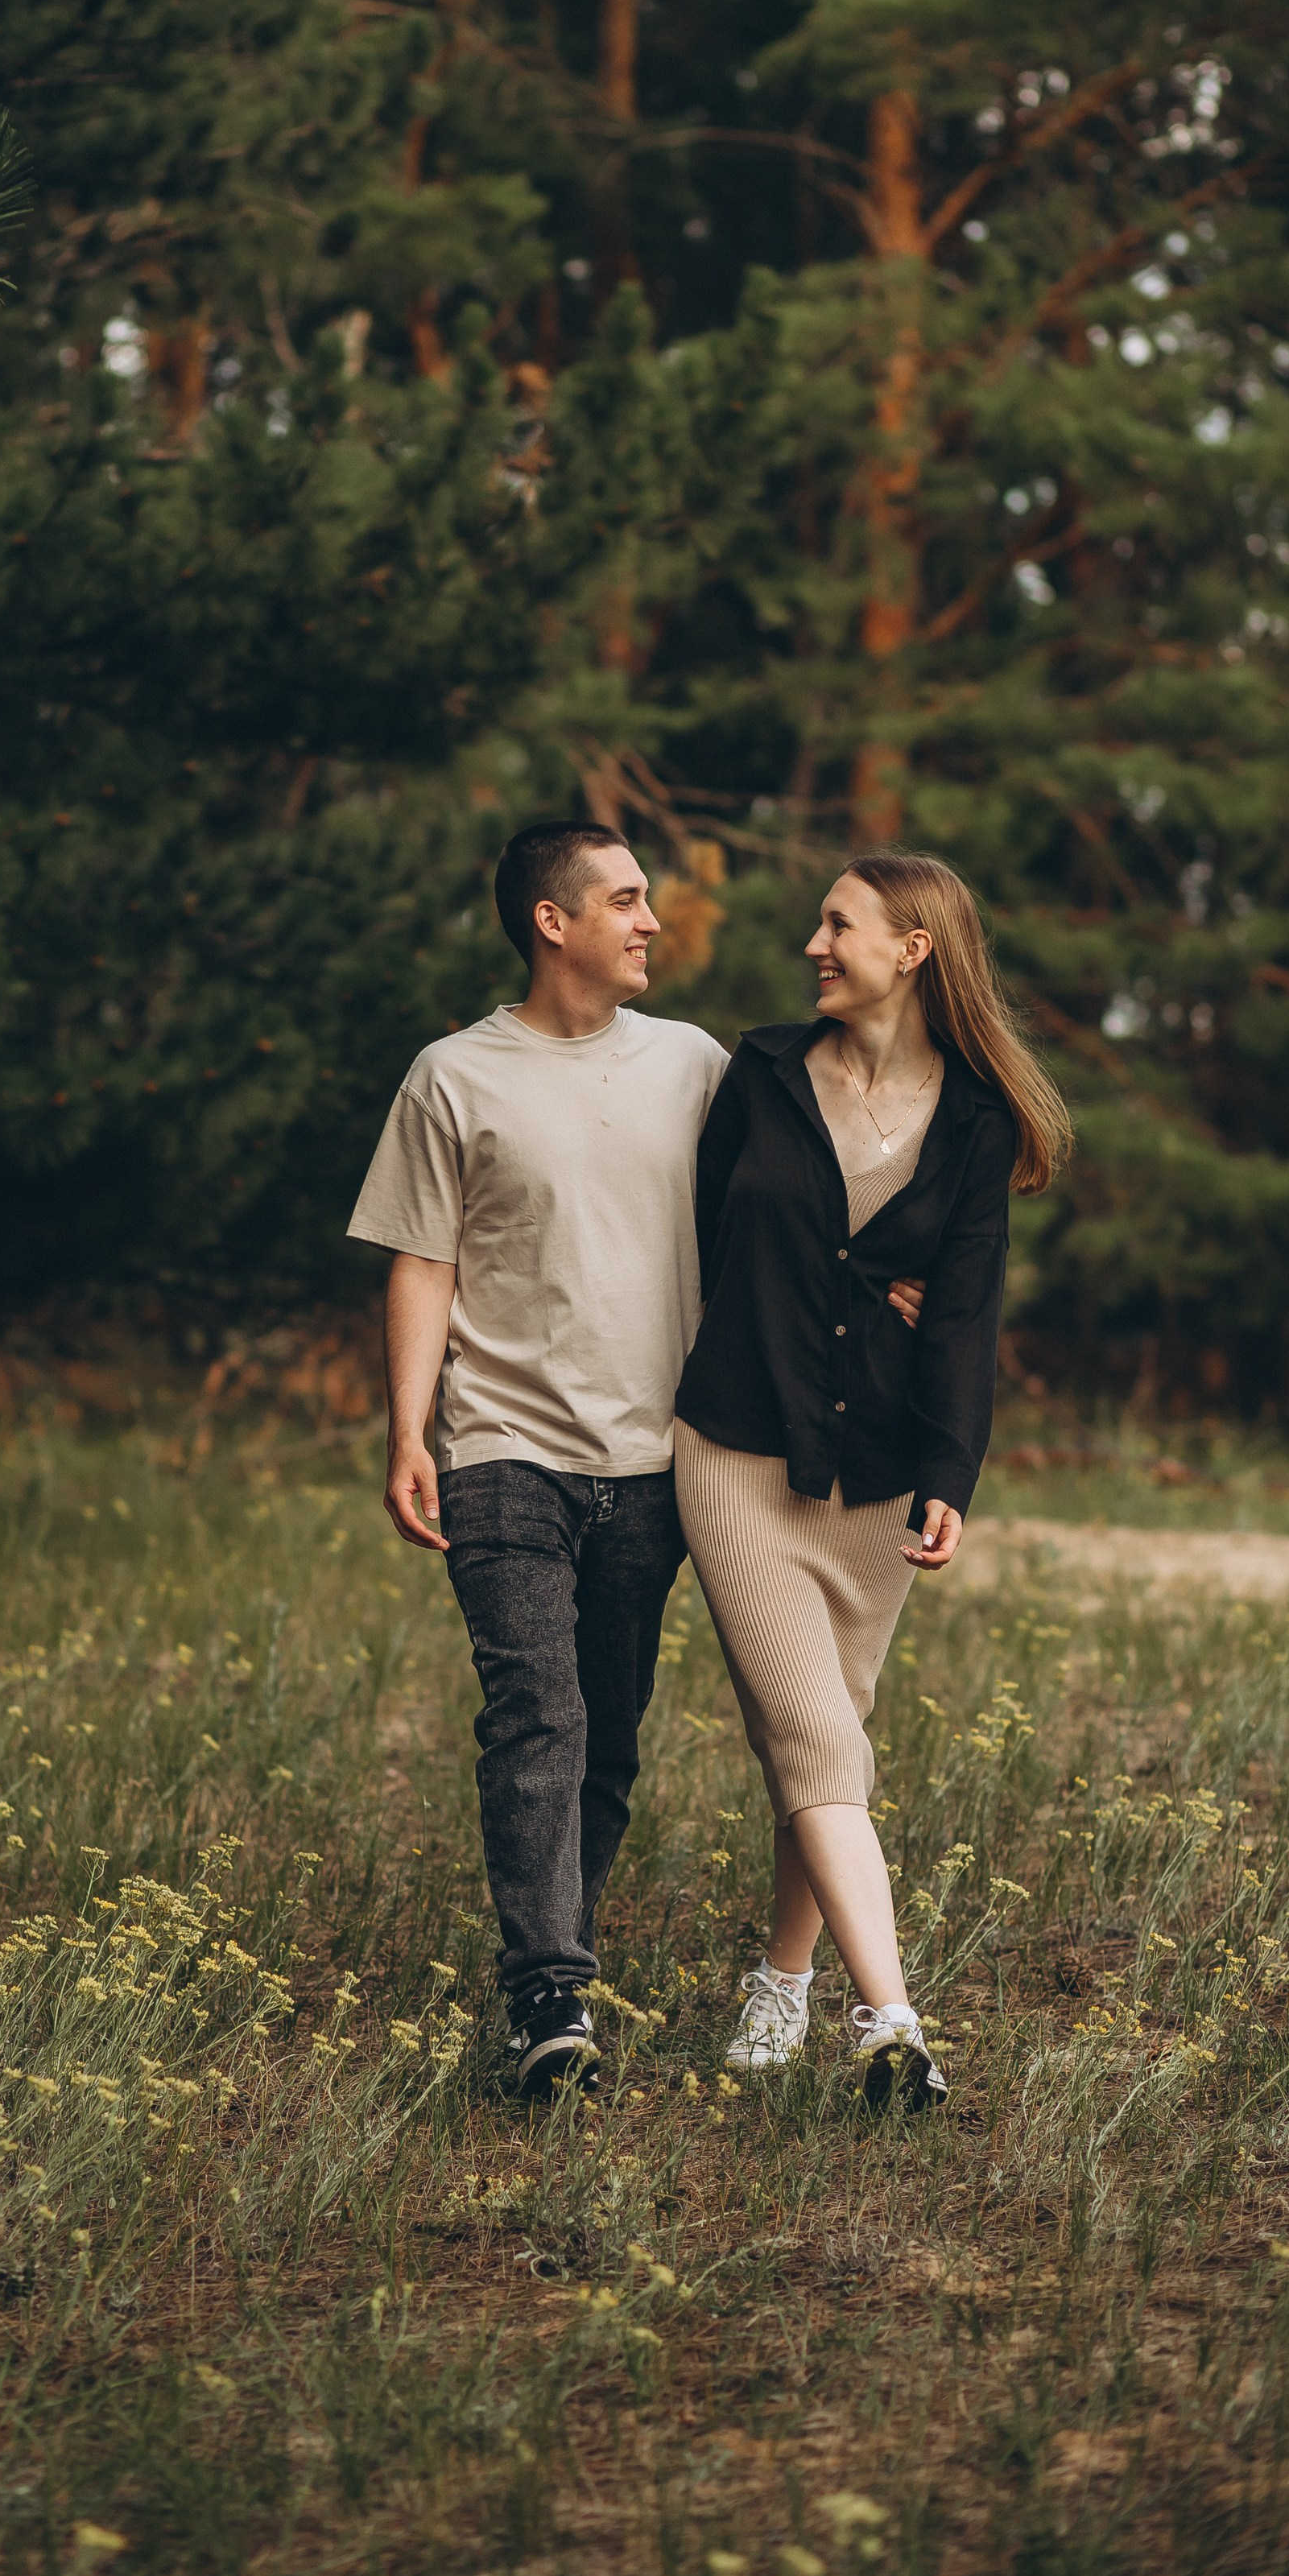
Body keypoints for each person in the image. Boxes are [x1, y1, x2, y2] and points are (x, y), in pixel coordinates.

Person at [348, 819, 929, 2099]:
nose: (652, 921)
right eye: (625, 900)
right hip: (503, 1446)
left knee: (607, 1733)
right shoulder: (453, 1075)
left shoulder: (696, 1066)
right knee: (535, 1713)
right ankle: (550, 1997)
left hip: (664, 1458)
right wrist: (409, 1430)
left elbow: (790, 1207)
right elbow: (423, 1259)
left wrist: (883, 1282)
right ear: (554, 923)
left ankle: (565, 1942)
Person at [674, 849, 1072, 2110]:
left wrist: (953, 1468)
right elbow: (706, 1239)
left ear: (913, 949)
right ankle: (889, 2022)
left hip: (882, 1473)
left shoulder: (975, 1121)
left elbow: (964, 1310)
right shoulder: (763, 1075)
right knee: (811, 1731)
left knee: (827, 1739)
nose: (811, 944)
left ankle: (779, 1981)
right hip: (736, 1449)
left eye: (836, 925)